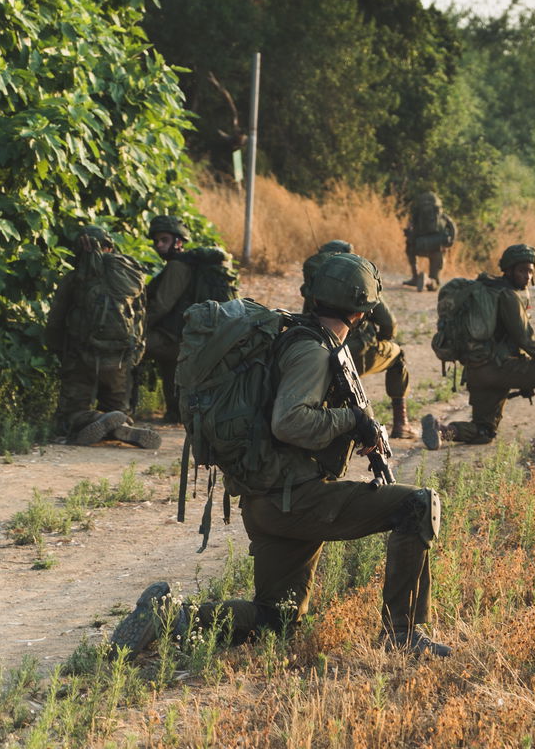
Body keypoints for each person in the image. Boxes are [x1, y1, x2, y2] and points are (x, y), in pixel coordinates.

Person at [110, 253, 450, 657]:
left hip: (270, 499)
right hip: (295, 498)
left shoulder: (294, 334)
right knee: (418, 503)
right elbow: (288, 422)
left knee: (277, 620)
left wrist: (352, 424)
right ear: (362, 312)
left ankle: (168, 617)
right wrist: (349, 420)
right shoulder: (312, 350)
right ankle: (403, 635)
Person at [421, 244, 535, 456]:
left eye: (530, 271)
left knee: (484, 431)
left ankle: (441, 430)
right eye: (522, 270)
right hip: (501, 370)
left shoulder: (486, 288)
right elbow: (526, 340)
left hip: (477, 372)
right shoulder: (509, 296)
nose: (527, 276)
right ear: (509, 270)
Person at [45, 226, 161, 449]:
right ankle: (120, 424)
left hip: (81, 355)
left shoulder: (75, 279)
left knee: (70, 414)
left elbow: (55, 322)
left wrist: (60, 351)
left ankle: (94, 419)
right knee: (117, 408)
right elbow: (141, 318)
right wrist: (135, 354)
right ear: (110, 248)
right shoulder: (131, 278)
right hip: (119, 358)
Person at [301, 240, 417, 438]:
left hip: (321, 352)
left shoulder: (316, 283)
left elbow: (306, 319)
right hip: (358, 352)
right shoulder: (358, 279)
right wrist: (382, 341)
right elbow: (388, 322)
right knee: (398, 356)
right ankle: (401, 423)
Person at [142, 214, 193, 422]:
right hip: (178, 335)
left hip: (175, 337)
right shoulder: (179, 264)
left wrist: (137, 328)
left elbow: (161, 305)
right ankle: (175, 412)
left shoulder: (177, 267)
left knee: (129, 347)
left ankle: (118, 408)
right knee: (170, 369)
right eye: (156, 241)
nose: (159, 245)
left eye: (164, 240)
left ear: (178, 242)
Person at [404, 191, 456, 292]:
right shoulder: (442, 217)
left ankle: (415, 276)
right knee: (435, 281)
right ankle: (428, 281)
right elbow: (453, 227)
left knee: (409, 248)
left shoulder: (416, 217)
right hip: (436, 249)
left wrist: (411, 241)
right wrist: (450, 242)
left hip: (418, 247)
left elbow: (410, 231)